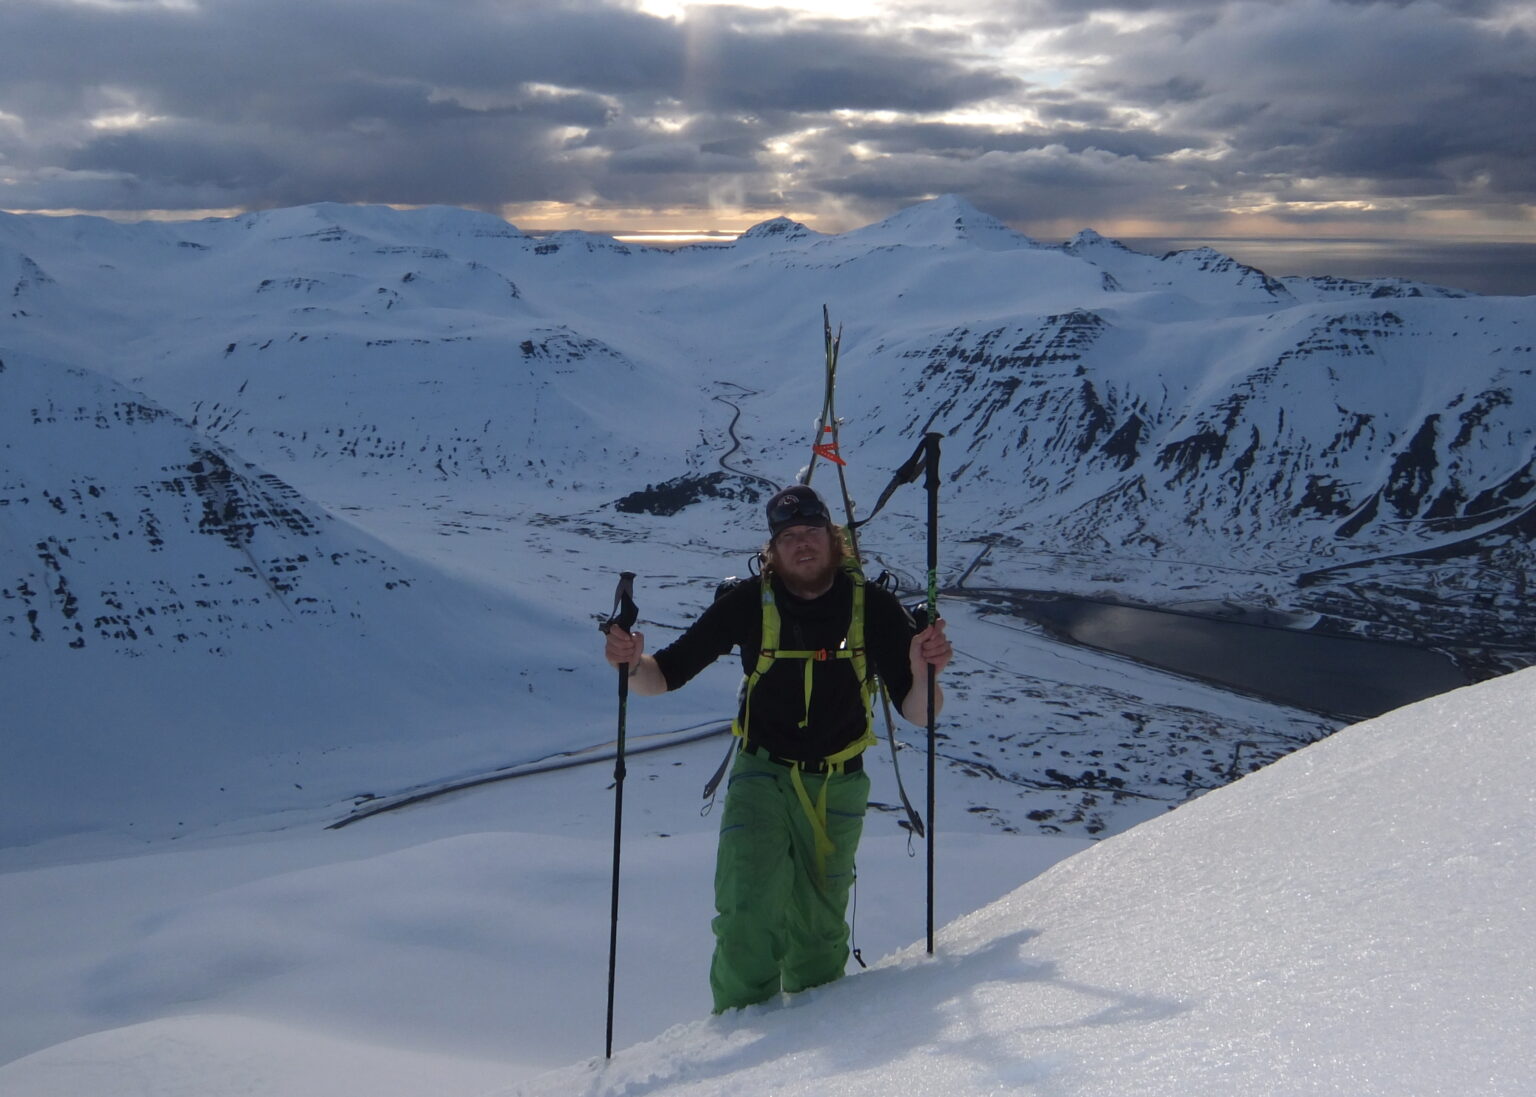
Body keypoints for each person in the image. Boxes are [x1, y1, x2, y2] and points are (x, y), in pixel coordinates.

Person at [602, 484, 953, 1012]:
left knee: (818, 934)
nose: (802, 544)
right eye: (789, 536)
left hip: (839, 784)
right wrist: (630, 664)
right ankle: (739, 1050)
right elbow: (664, 676)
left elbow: (919, 710)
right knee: (747, 912)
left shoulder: (872, 606)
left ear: (834, 540)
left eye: (812, 532)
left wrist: (926, 671)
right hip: (760, 778)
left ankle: (804, 1055)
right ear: (773, 548)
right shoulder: (748, 603)